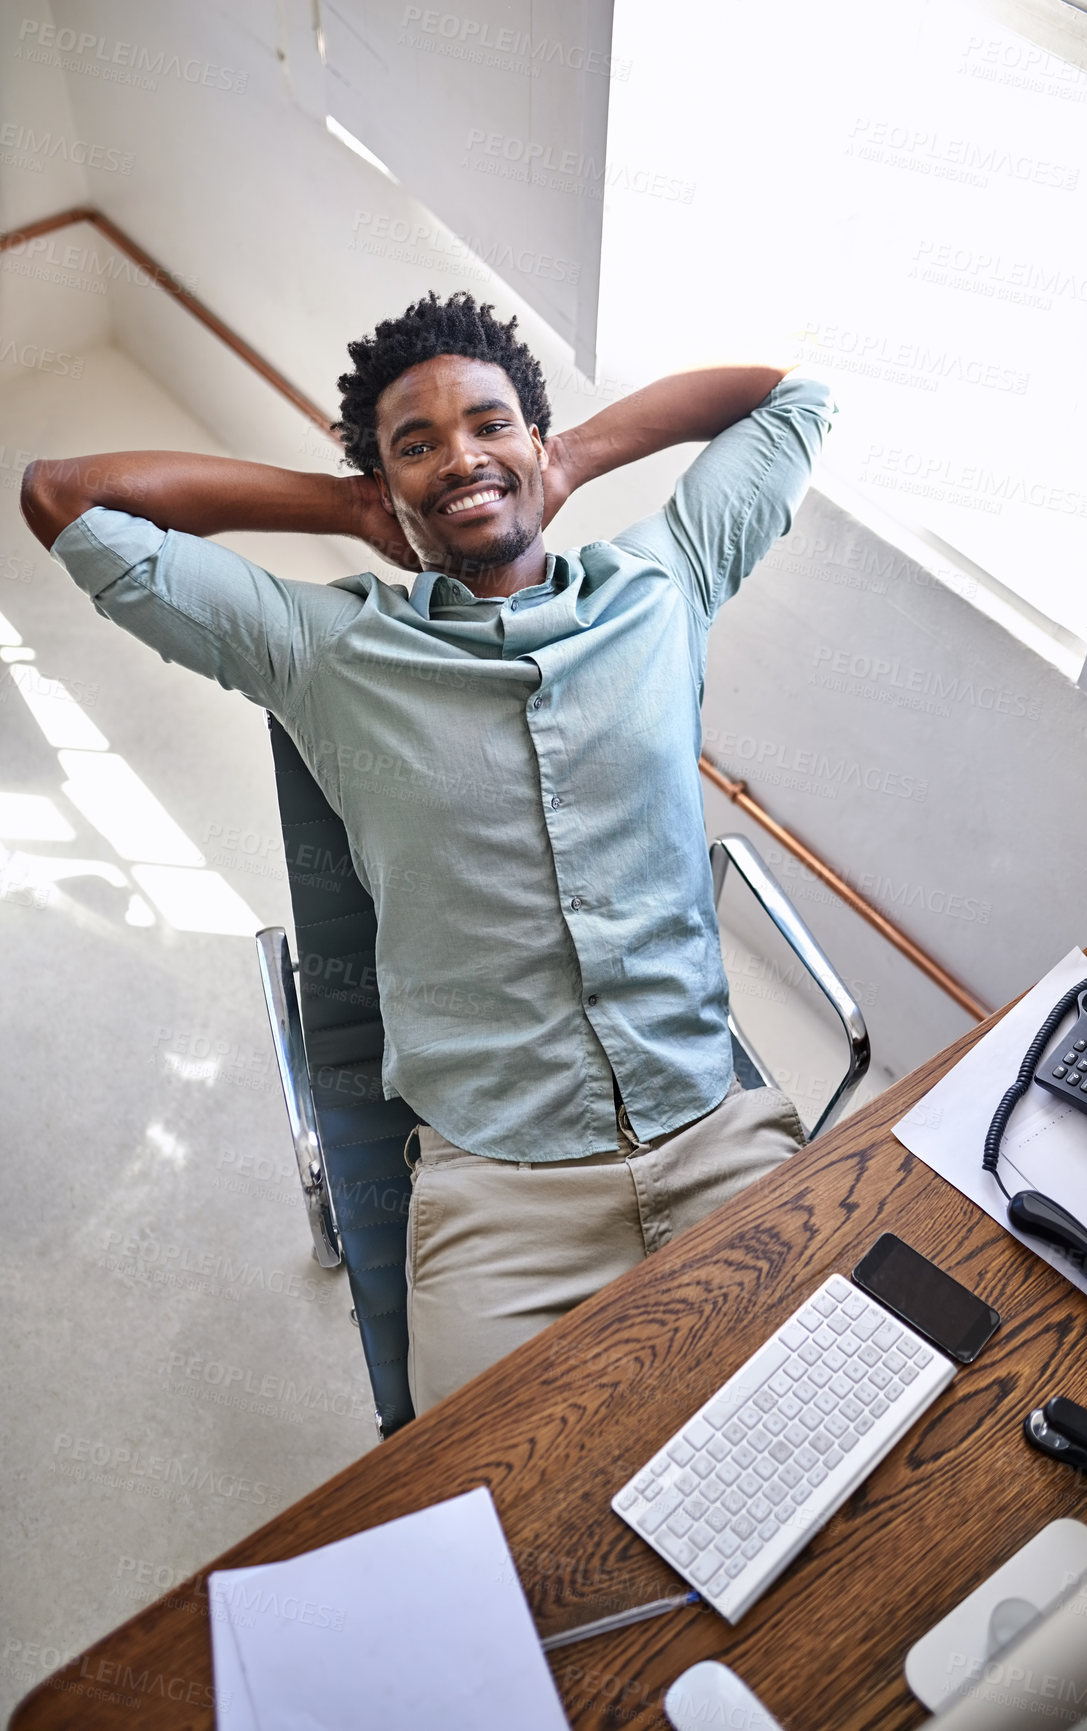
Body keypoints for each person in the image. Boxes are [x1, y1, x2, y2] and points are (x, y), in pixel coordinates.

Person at [21, 290, 835, 1413]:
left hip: (714, 1135)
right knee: (493, 1530)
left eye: (490, 424)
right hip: (504, 1202)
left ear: (537, 442)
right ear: (384, 486)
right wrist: (359, 507)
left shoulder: (665, 584)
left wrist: (571, 457)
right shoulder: (324, 648)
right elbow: (64, 497)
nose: (461, 458)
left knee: (845, 1419)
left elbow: (793, 400)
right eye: (419, 446)